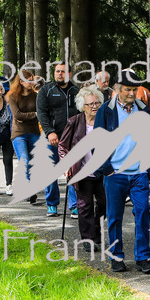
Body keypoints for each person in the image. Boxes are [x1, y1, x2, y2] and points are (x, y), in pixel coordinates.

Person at [93, 69, 150, 275]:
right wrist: (107, 169)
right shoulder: (106, 110)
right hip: (115, 173)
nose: (132, 93)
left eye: (134, 89)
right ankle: (117, 257)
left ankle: (143, 257)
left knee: (143, 212)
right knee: (114, 217)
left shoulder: (143, 109)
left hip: (138, 172)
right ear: (118, 89)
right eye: (128, 89)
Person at [59, 86, 106, 250]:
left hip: (103, 171)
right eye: (90, 104)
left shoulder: (105, 121)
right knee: (85, 206)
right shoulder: (74, 121)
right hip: (82, 171)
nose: (94, 106)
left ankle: (97, 232)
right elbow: (63, 146)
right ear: (82, 106)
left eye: (97, 103)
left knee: (104, 203)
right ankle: (88, 239)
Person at [36, 62, 80, 217]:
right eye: (57, 71)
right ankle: (52, 204)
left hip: (72, 139)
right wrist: (49, 132)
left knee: (74, 172)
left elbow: (82, 113)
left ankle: (74, 205)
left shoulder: (76, 91)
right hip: (52, 138)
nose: (59, 74)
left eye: (63, 71)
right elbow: (41, 113)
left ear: (69, 73)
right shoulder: (46, 91)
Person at [8, 73, 41, 202]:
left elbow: (40, 112)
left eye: (32, 80)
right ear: (21, 81)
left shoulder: (36, 96)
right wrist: (34, 114)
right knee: (25, 160)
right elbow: (17, 115)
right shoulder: (13, 96)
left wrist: (29, 115)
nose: (31, 82)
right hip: (19, 133)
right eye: (29, 80)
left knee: (33, 162)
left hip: (33, 132)